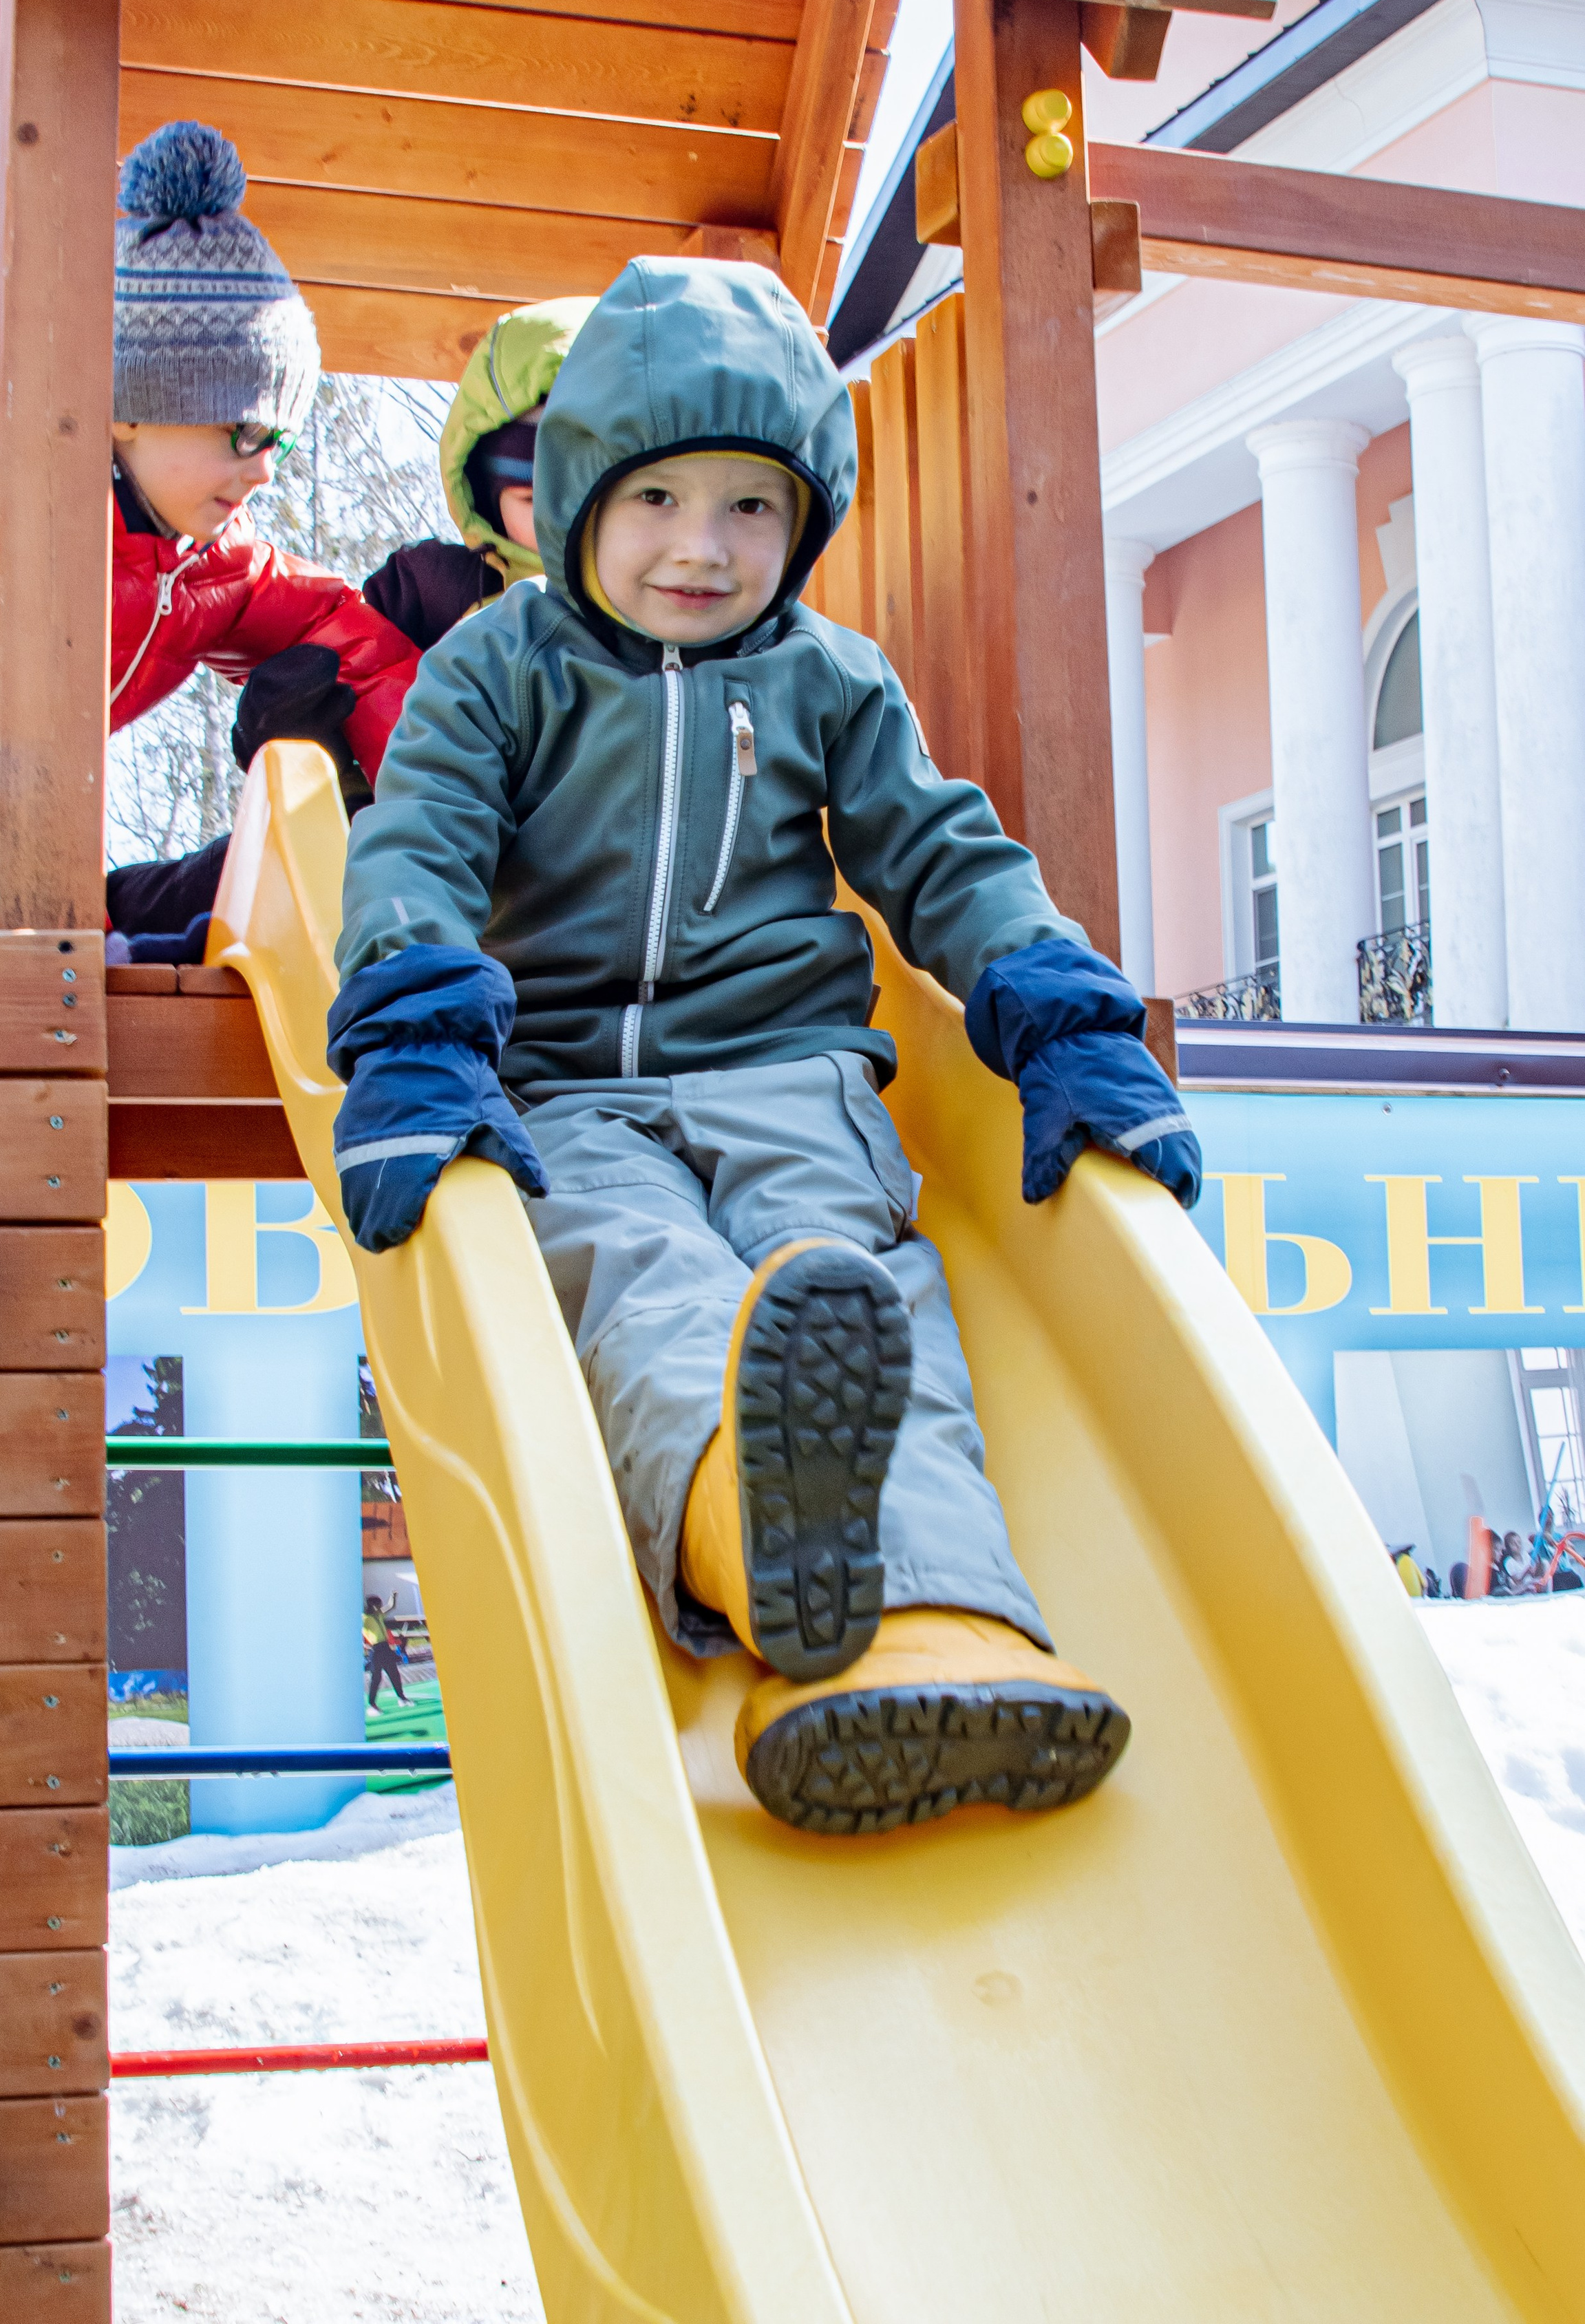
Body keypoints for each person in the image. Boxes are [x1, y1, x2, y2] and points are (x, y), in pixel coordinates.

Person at [321, 258, 1201, 1837]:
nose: (700, 546)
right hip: (566, 1093)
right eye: (655, 497)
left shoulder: (828, 680)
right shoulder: (497, 670)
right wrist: (415, 1031)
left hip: (791, 1075)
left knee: (853, 1290)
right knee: (642, 1278)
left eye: (749, 507)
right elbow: (420, 843)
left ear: (803, 522)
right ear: (576, 495)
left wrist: (1064, 1016)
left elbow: (944, 856)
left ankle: (942, 1624)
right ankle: (751, 1527)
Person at [0, 120, 421, 940]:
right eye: (244, 434)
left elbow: (348, 640)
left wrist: (437, 806)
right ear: (131, 409)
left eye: (280, 445)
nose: (264, 472)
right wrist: (70, 939)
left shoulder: (207, 564)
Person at [360, 297, 592, 652]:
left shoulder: (667, 608)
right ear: (489, 500)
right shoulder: (438, 595)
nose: (562, 520)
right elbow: (354, 653)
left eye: (588, 497)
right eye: (532, 499)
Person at [363, 1593, 407, 1707]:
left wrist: (393, 1597)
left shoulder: (379, 1615)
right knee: (376, 1677)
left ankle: (402, 1698)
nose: (380, 1607)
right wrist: (363, 1644)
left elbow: (391, 1606)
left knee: (394, 1674)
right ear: (372, 1606)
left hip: (385, 1647)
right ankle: (372, 1704)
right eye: (378, 1605)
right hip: (376, 1649)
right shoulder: (364, 1618)